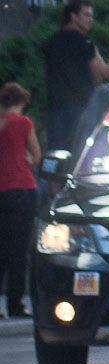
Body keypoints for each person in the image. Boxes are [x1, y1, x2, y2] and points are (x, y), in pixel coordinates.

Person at [43, 0, 109, 151]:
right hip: (81, 109)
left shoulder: (50, 42)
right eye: (86, 15)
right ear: (73, 16)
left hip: (56, 110)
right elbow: (104, 73)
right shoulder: (84, 42)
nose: (90, 19)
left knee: (57, 157)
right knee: (82, 156)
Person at [0, 83, 41, 318]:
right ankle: (15, 305)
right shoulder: (24, 123)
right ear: (22, 102)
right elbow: (35, 157)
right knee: (18, 251)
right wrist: (25, 156)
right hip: (22, 191)